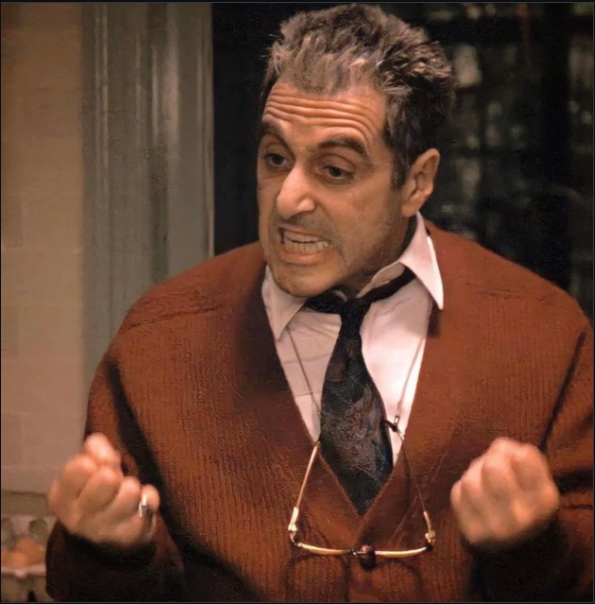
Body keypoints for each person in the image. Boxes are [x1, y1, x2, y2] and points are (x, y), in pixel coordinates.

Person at [46, 4, 593, 602]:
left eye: (334, 169)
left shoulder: (544, 333)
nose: (287, 200)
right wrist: (111, 551)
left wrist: (536, 544)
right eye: (275, 159)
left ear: (416, 182)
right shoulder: (159, 340)